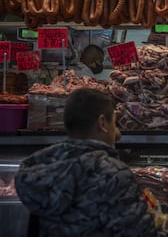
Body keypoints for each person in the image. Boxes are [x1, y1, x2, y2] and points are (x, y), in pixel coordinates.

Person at [14, 88, 156, 236]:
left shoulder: (40, 165)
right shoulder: (112, 174)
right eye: (114, 122)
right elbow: (138, 232)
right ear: (102, 123)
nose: (117, 133)